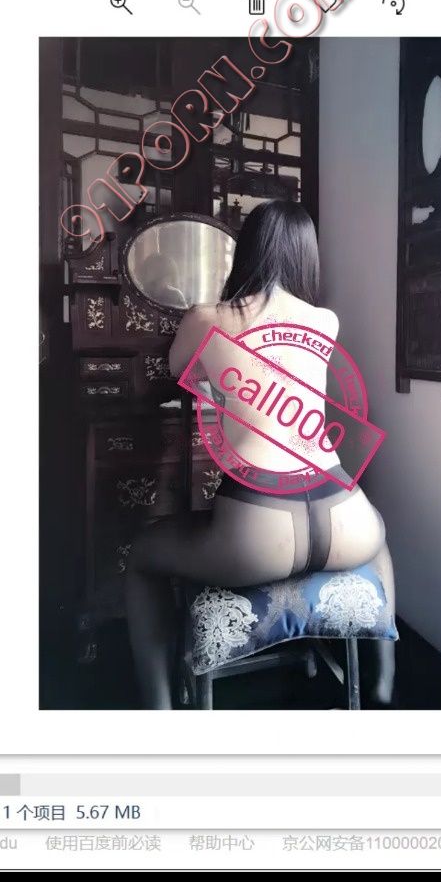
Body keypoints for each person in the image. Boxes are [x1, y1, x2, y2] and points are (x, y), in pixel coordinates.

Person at [126, 200, 395, 709]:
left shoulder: (206, 317)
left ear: (245, 251)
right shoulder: (325, 320)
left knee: (143, 555)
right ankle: (383, 685)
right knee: (376, 533)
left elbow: (181, 371)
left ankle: (159, 714)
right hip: (344, 515)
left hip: (259, 531)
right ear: (307, 257)